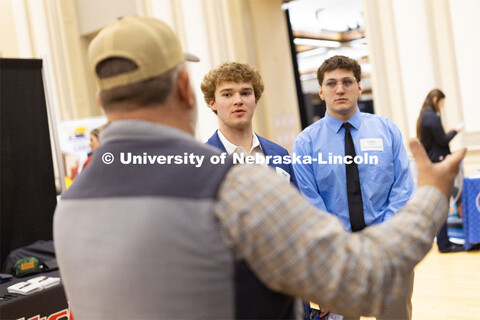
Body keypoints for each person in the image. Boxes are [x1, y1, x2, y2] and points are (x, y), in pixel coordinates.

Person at [53, 16, 466, 320]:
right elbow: (362, 278)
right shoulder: (227, 184)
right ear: (187, 90)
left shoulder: (70, 205)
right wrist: (432, 195)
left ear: (100, 99)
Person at [292, 55, 415, 319]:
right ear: (321, 92)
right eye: (331, 83)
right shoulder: (305, 144)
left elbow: (403, 188)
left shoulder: (387, 131)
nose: (339, 89)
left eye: (347, 82)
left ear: (359, 87)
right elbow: (309, 204)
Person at [201, 61, 297, 186]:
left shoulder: (280, 154)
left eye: (245, 93)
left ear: (255, 100)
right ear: (212, 103)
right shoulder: (202, 162)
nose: (238, 101)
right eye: (227, 94)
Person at [416, 89, 464, 253]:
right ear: (436, 99)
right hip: (438, 162)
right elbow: (442, 140)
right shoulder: (431, 117)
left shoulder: (425, 116)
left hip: (433, 161)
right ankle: (444, 244)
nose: (442, 106)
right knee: (442, 204)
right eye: (442, 102)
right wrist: (454, 132)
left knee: (441, 204)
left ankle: (444, 242)